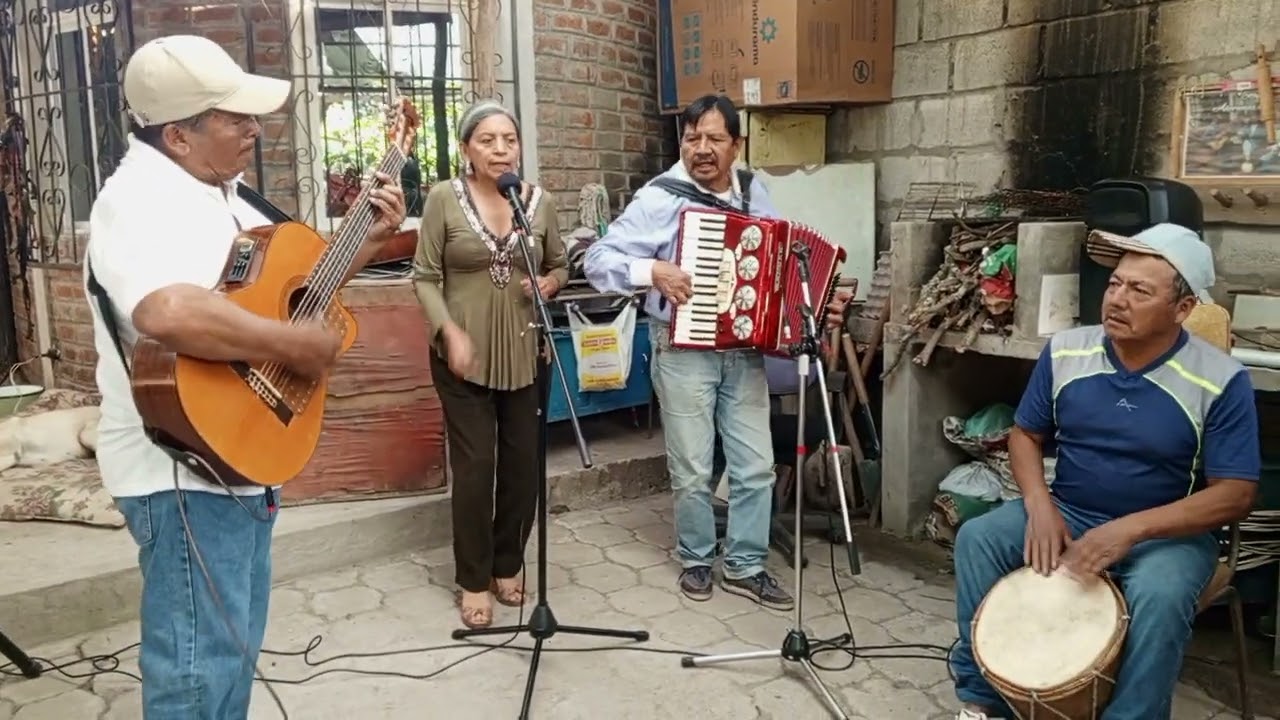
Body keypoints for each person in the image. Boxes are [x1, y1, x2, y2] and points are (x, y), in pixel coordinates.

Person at [84, 35, 406, 719]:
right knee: (195, 667)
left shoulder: (224, 195)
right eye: (236, 119)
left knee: (232, 647)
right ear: (178, 135)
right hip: (179, 469)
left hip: (236, 452)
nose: (254, 132)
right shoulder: (139, 198)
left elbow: (299, 292)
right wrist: (293, 344)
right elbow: (168, 310)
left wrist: (368, 241)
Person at [948, 223, 1260, 720]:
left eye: (1140, 290)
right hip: (1069, 510)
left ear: (1182, 310)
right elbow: (1024, 435)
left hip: (1166, 534)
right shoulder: (1067, 350)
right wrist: (1039, 506)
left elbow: (1236, 494)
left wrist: (1131, 530)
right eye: (1115, 283)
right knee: (979, 539)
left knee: (1160, 594)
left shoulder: (1220, 379)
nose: (1117, 299)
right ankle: (986, 700)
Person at [583, 94, 845, 609]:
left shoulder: (754, 191)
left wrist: (813, 301)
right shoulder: (661, 197)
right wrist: (651, 271)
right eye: (691, 138)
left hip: (745, 352)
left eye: (714, 139)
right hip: (682, 350)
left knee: (754, 464)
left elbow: (775, 268)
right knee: (693, 465)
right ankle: (697, 557)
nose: (701, 149)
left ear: (736, 145)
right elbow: (597, 258)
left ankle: (746, 565)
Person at [413, 100, 569, 630]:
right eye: (487, 140)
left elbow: (559, 263)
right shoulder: (443, 199)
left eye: (509, 139)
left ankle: (509, 561)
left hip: (526, 351)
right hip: (463, 358)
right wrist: (448, 329)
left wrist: (550, 283)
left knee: (524, 468)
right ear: (465, 150)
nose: (501, 149)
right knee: (477, 470)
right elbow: (424, 275)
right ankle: (473, 577)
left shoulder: (538, 202)